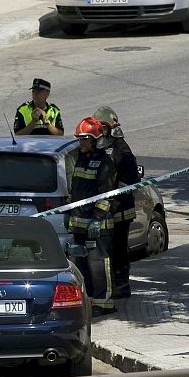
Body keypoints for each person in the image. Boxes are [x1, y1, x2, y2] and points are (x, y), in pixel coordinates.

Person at [68, 117, 116, 314]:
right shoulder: (80, 159)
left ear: (96, 140)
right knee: (81, 265)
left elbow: (107, 195)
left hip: (98, 226)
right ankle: (88, 300)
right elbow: (77, 192)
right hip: (79, 224)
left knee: (98, 264)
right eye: (80, 139)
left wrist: (97, 219)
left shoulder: (105, 163)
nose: (82, 143)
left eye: (86, 139)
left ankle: (104, 302)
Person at [93, 106, 138, 299]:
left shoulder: (121, 149)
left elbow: (130, 180)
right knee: (107, 251)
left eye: (102, 127)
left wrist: (116, 202)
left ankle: (121, 285)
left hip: (120, 212)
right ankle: (111, 284)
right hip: (108, 211)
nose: (100, 132)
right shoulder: (102, 148)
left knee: (119, 250)